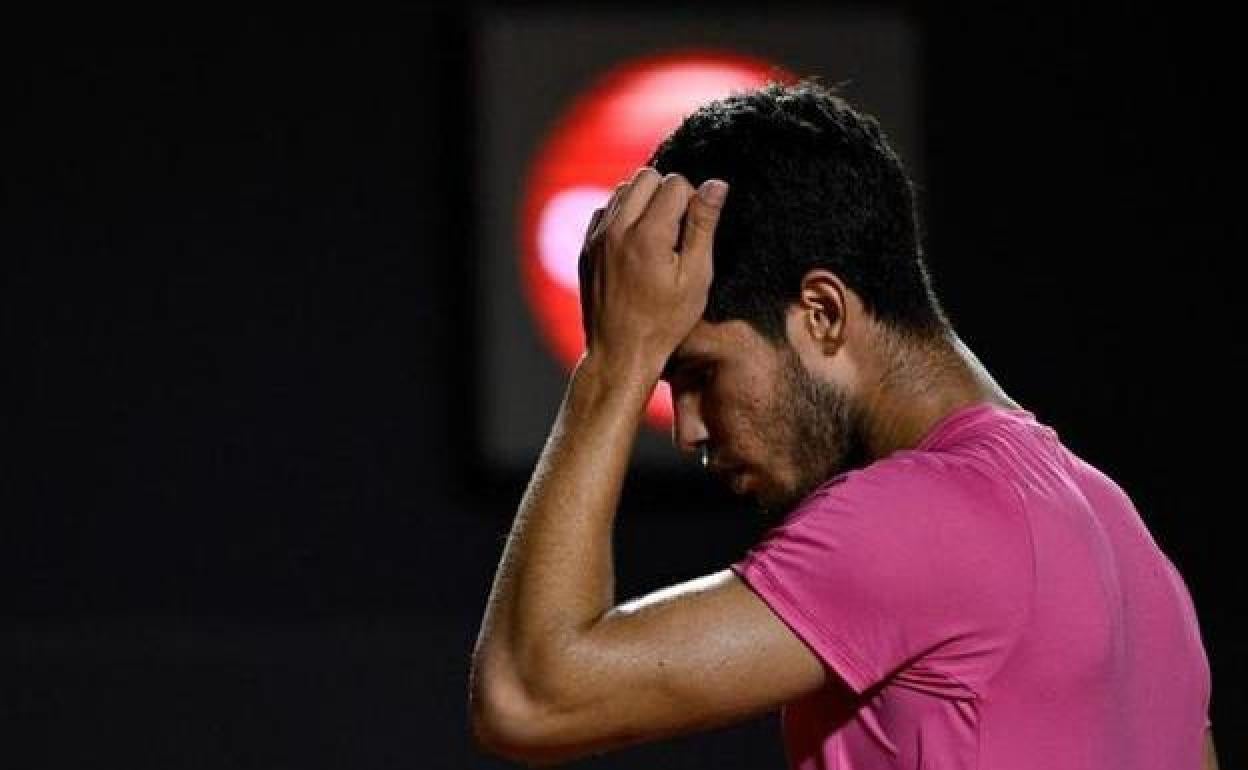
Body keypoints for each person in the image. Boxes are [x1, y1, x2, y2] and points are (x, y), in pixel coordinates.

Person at [469, 81, 1216, 769]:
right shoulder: (1129, 544)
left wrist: (615, 364)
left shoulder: (917, 516)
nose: (687, 430)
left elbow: (530, 698)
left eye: (698, 374)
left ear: (822, 312)